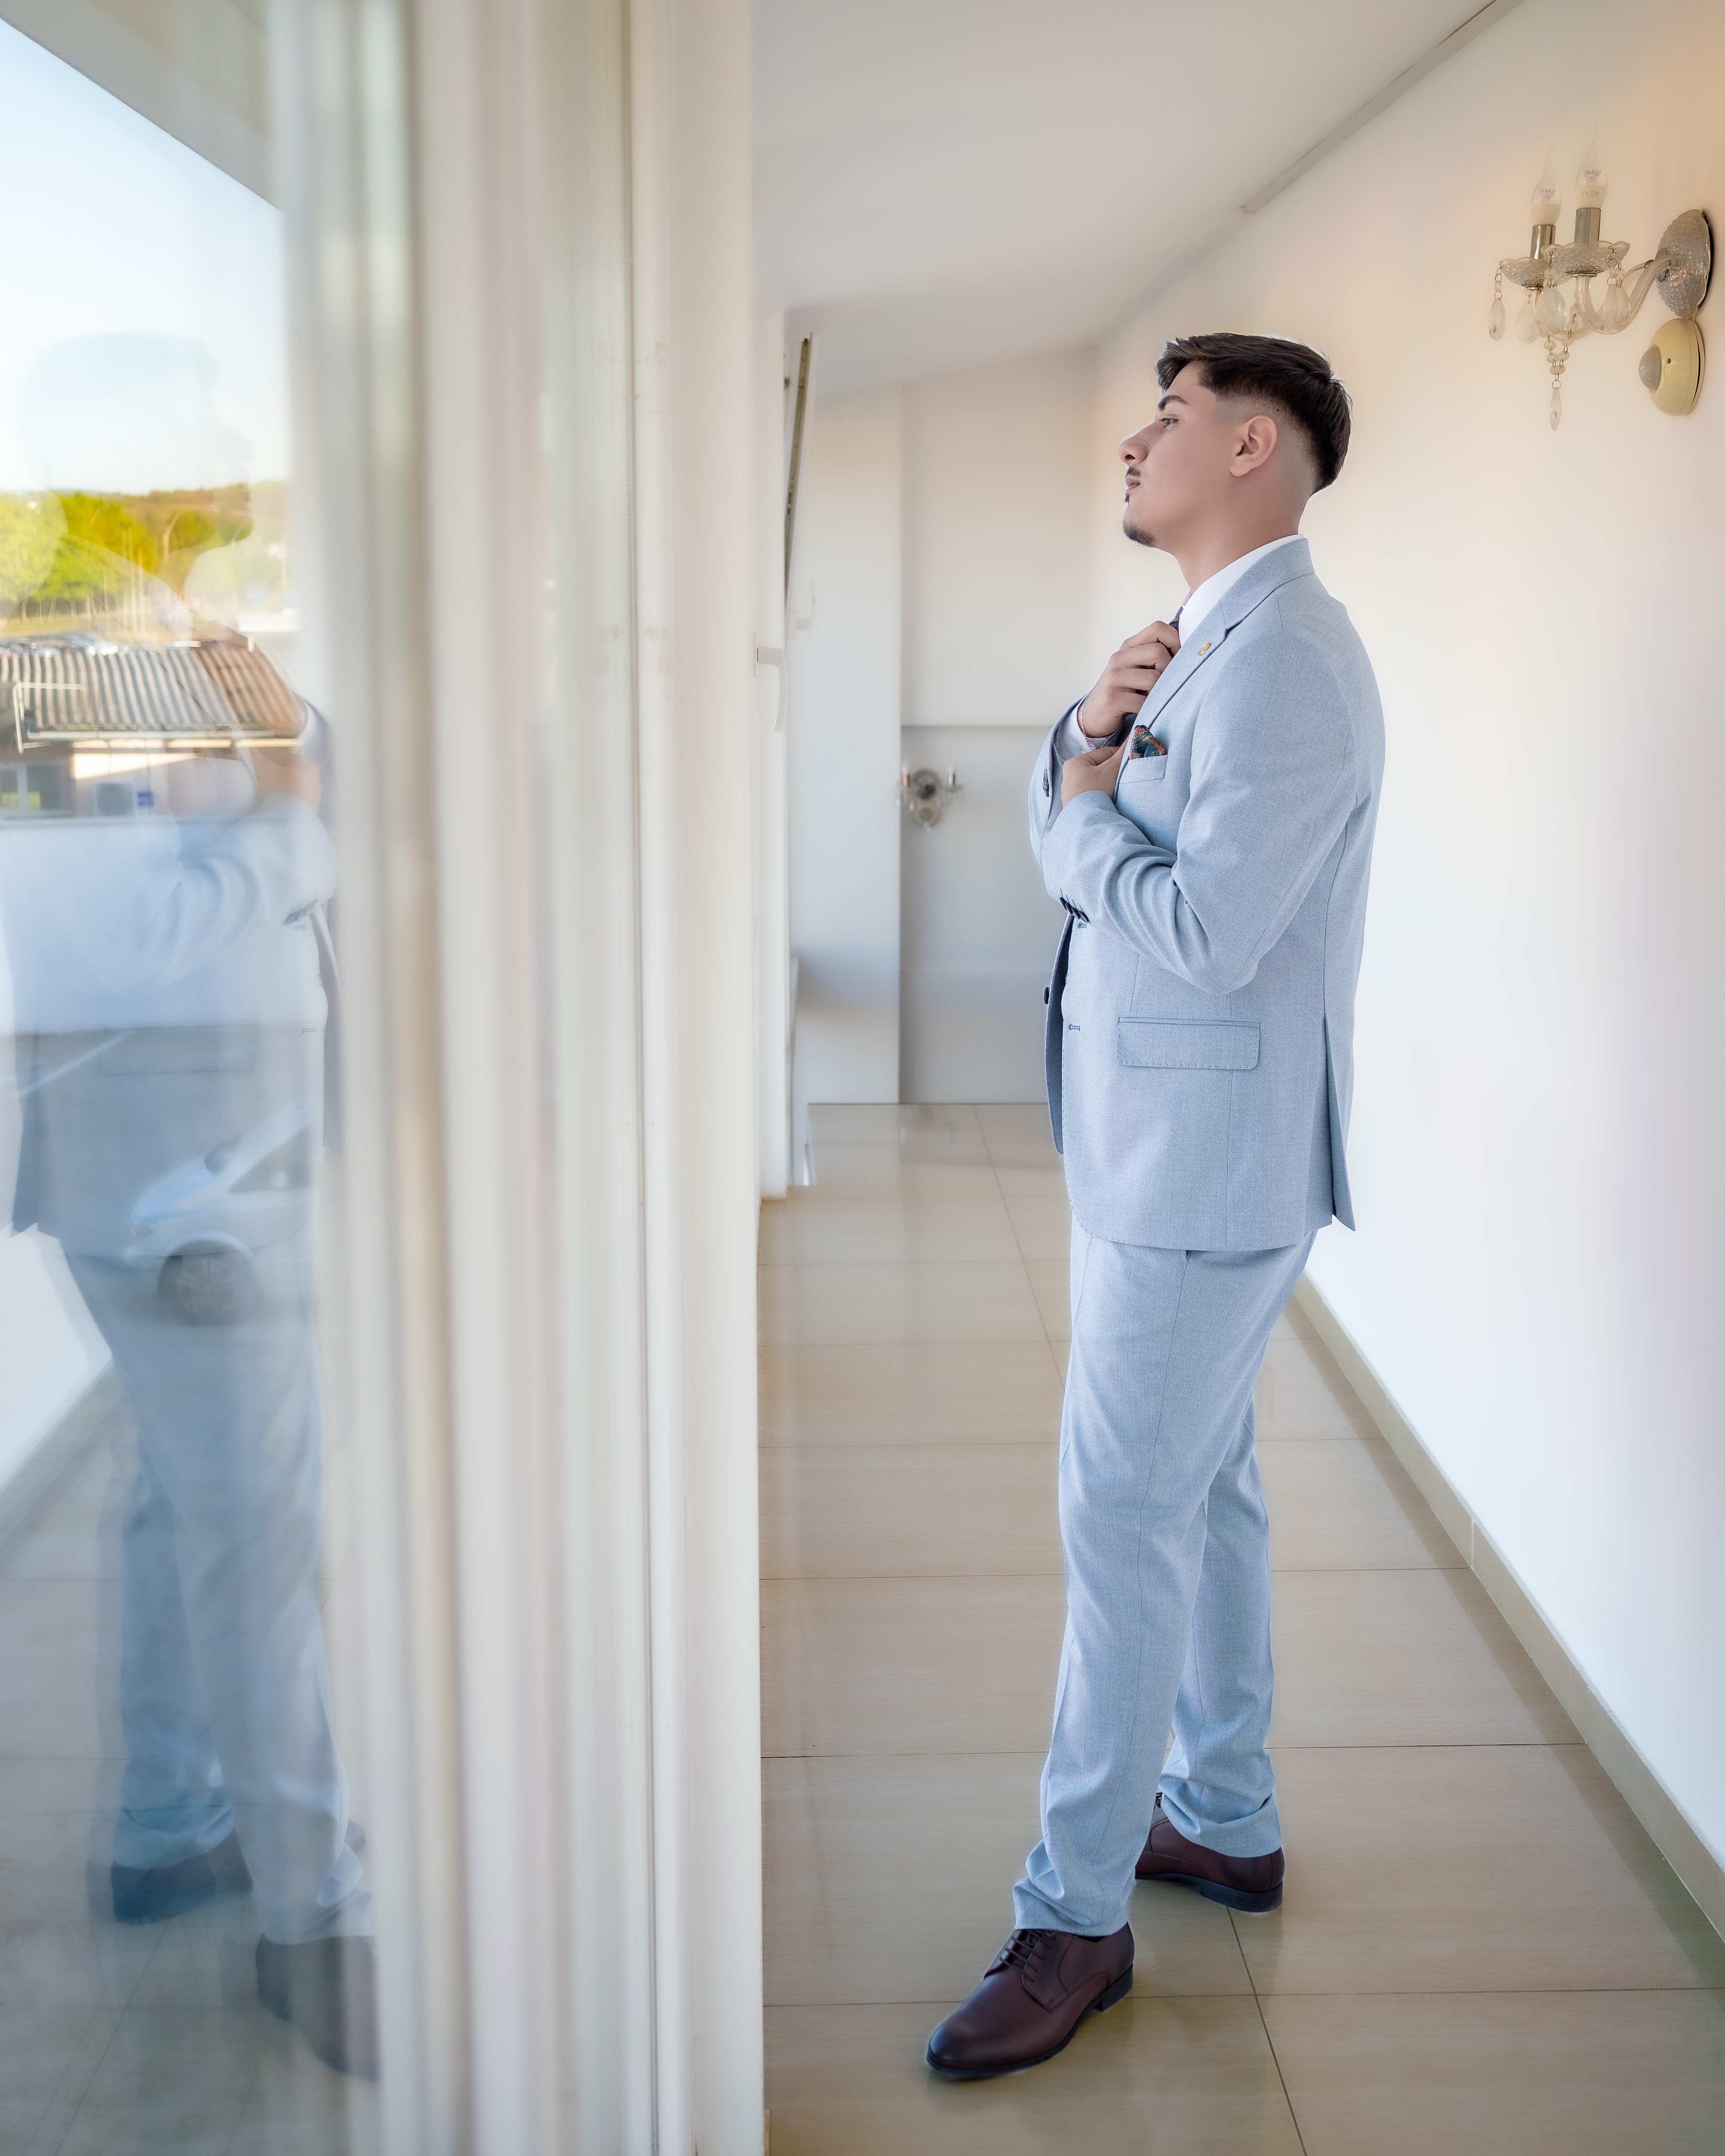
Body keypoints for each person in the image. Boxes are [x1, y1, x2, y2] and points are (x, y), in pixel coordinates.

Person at [926, 332, 1384, 2079]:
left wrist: (1075, 807)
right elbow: (1118, 793)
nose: (1134, 441)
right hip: (1171, 1145)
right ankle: (1226, 1812)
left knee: (1123, 1518)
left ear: (1253, 446)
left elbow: (1207, 926)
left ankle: (1075, 1914)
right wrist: (1089, 734)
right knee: (1208, 1486)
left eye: (1170, 415)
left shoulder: (1292, 665)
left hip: (1201, 1164)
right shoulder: (1214, 639)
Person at [0, 706, 376, 2080]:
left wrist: (282, 773)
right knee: (260, 1541)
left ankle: (170, 1824)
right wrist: (295, 820)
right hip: (177, 1189)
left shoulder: (134, 690)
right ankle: (312, 1916)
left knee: (188, 1505)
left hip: (211, 1163)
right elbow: (113, 947)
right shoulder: (48, 717)